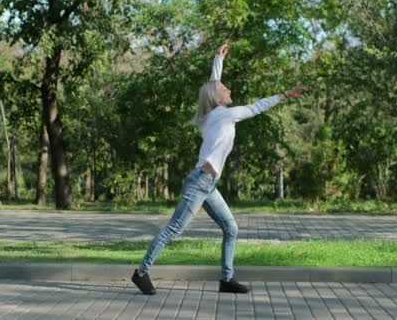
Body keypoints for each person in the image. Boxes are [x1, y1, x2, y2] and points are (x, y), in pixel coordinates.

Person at [131, 42, 307, 295]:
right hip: (200, 181)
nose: (229, 89)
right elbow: (256, 107)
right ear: (217, 98)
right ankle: (141, 272)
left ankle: (227, 279)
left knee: (231, 228)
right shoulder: (225, 115)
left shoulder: (210, 116)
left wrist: (218, 59)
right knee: (174, 229)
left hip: (208, 184)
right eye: (225, 89)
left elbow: (213, 83)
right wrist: (284, 95)